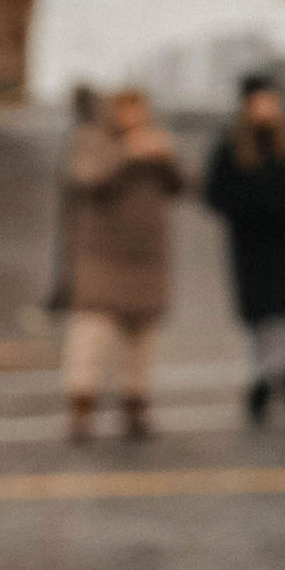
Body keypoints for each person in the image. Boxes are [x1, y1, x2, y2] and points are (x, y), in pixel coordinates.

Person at [61, 85, 186, 440]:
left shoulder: (156, 141)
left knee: (140, 339)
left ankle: (136, 406)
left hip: (146, 259)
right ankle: (80, 408)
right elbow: (86, 177)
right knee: (90, 336)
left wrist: (165, 155)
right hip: (101, 257)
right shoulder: (92, 139)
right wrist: (127, 152)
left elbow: (182, 185)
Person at [201, 74, 285, 420]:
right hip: (250, 240)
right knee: (257, 312)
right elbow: (215, 192)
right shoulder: (231, 146)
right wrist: (250, 207)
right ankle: (259, 376)